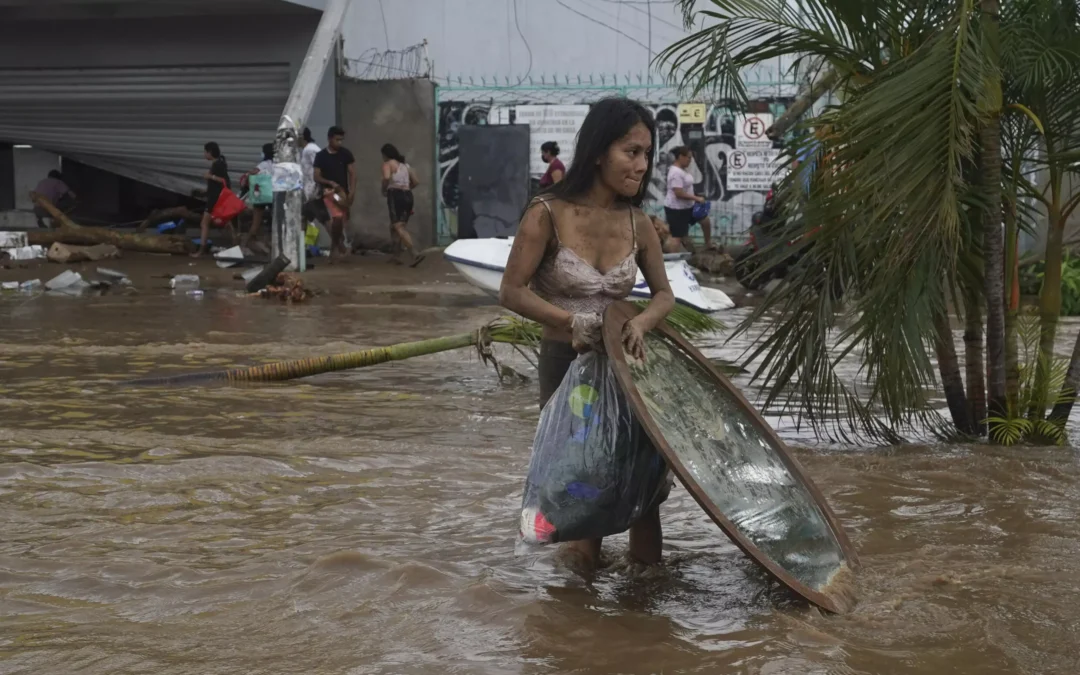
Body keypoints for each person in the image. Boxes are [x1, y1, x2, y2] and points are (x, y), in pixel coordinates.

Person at [499, 97, 676, 570]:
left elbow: (664, 295)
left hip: (632, 372)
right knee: (580, 490)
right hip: (567, 371)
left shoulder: (639, 223)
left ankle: (641, 610)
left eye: (645, 154)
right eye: (630, 152)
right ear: (598, 151)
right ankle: (577, 620)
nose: (640, 165)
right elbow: (512, 291)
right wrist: (569, 322)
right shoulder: (547, 213)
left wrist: (639, 322)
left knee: (644, 493)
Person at [313, 126, 356, 260]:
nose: (340, 143)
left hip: (343, 193)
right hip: (328, 193)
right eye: (337, 140)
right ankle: (336, 247)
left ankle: (337, 247)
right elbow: (316, 176)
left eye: (341, 140)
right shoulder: (321, 156)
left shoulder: (346, 154)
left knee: (343, 220)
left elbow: (353, 174)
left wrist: (352, 191)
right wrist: (330, 182)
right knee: (336, 218)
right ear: (330, 139)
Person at [380, 143, 424, 266]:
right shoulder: (406, 166)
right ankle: (396, 256)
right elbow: (416, 181)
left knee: (398, 227)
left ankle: (414, 253)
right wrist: (407, 188)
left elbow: (386, 178)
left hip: (395, 195)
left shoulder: (387, 164)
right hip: (408, 195)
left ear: (385, 155)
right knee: (395, 226)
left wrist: (383, 189)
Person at [663, 146, 715, 251]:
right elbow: (678, 193)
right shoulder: (675, 173)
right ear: (680, 157)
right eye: (688, 158)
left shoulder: (682, 170)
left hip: (688, 207)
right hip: (676, 209)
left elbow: (686, 187)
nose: (690, 161)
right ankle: (668, 259)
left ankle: (708, 243)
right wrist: (696, 198)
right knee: (676, 238)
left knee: (705, 221)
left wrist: (696, 195)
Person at [193, 142, 235, 258]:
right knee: (226, 223)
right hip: (216, 198)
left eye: (205, 151)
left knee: (204, 223)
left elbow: (224, 181)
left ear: (210, 152)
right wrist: (205, 192)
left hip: (215, 200)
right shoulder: (218, 164)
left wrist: (210, 176)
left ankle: (201, 251)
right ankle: (235, 244)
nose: (204, 154)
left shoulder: (218, 165)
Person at [241, 143, 274, 253]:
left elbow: (254, 172)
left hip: (260, 197)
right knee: (274, 221)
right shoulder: (277, 164)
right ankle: (270, 245)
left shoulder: (263, 164)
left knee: (256, 221)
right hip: (272, 196)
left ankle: (246, 244)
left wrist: (247, 175)